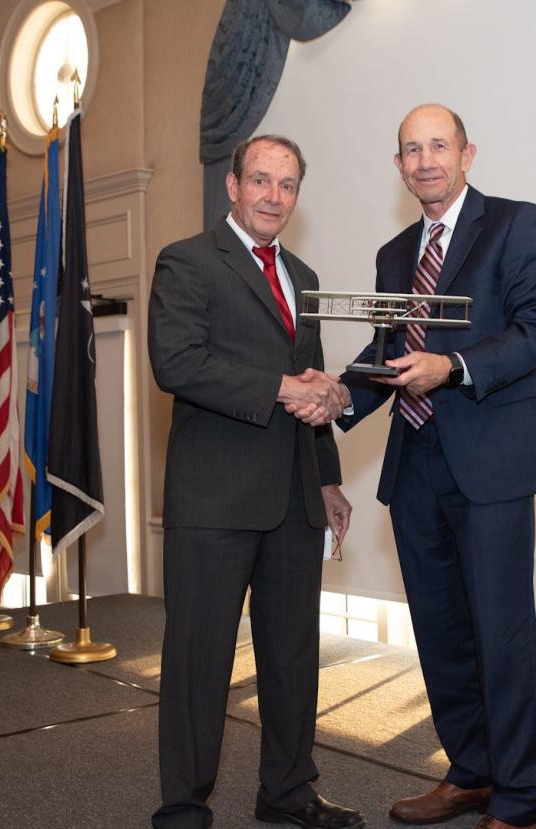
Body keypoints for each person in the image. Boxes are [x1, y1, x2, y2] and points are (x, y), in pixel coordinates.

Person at [335, 104, 536, 829]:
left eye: (439, 145)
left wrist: (456, 365)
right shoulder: (394, 252)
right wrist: (336, 394)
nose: (425, 159)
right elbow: (386, 359)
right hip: (414, 467)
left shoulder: (514, 222)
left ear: (468, 153)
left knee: (500, 631)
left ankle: (522, 795)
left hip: (492, 463)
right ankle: (471, 771)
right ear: (399, 166)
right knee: (440, 631)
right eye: (411, 149)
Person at [147, 134, 363, 829]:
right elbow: (176, 363)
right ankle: (183, 806)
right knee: (197, 661)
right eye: (261, 181)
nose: (274, 196)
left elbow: (313, 385)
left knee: (294, 658)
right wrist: (277, 386)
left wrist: (328, 479)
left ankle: (288, 791)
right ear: (233, 185)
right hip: (214, 498)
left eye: (288, 184)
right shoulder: (186, 261)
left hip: (296, 499)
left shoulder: (304, 274)